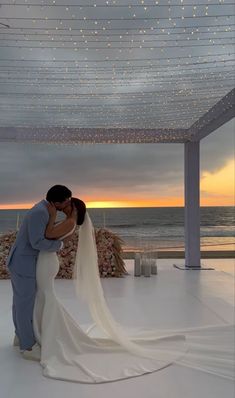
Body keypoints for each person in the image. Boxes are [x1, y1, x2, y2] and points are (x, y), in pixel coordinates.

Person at [6, 185, 72, 360]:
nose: (67, 204)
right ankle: (27, 347)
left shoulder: (44, 209)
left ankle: (20, 336)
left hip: (24, 261)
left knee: (20, 303)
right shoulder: (40, 212)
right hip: (24, 263)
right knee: (24, 305)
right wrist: (60, 245)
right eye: (66, 201)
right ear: (56, 201)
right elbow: (37, 242)